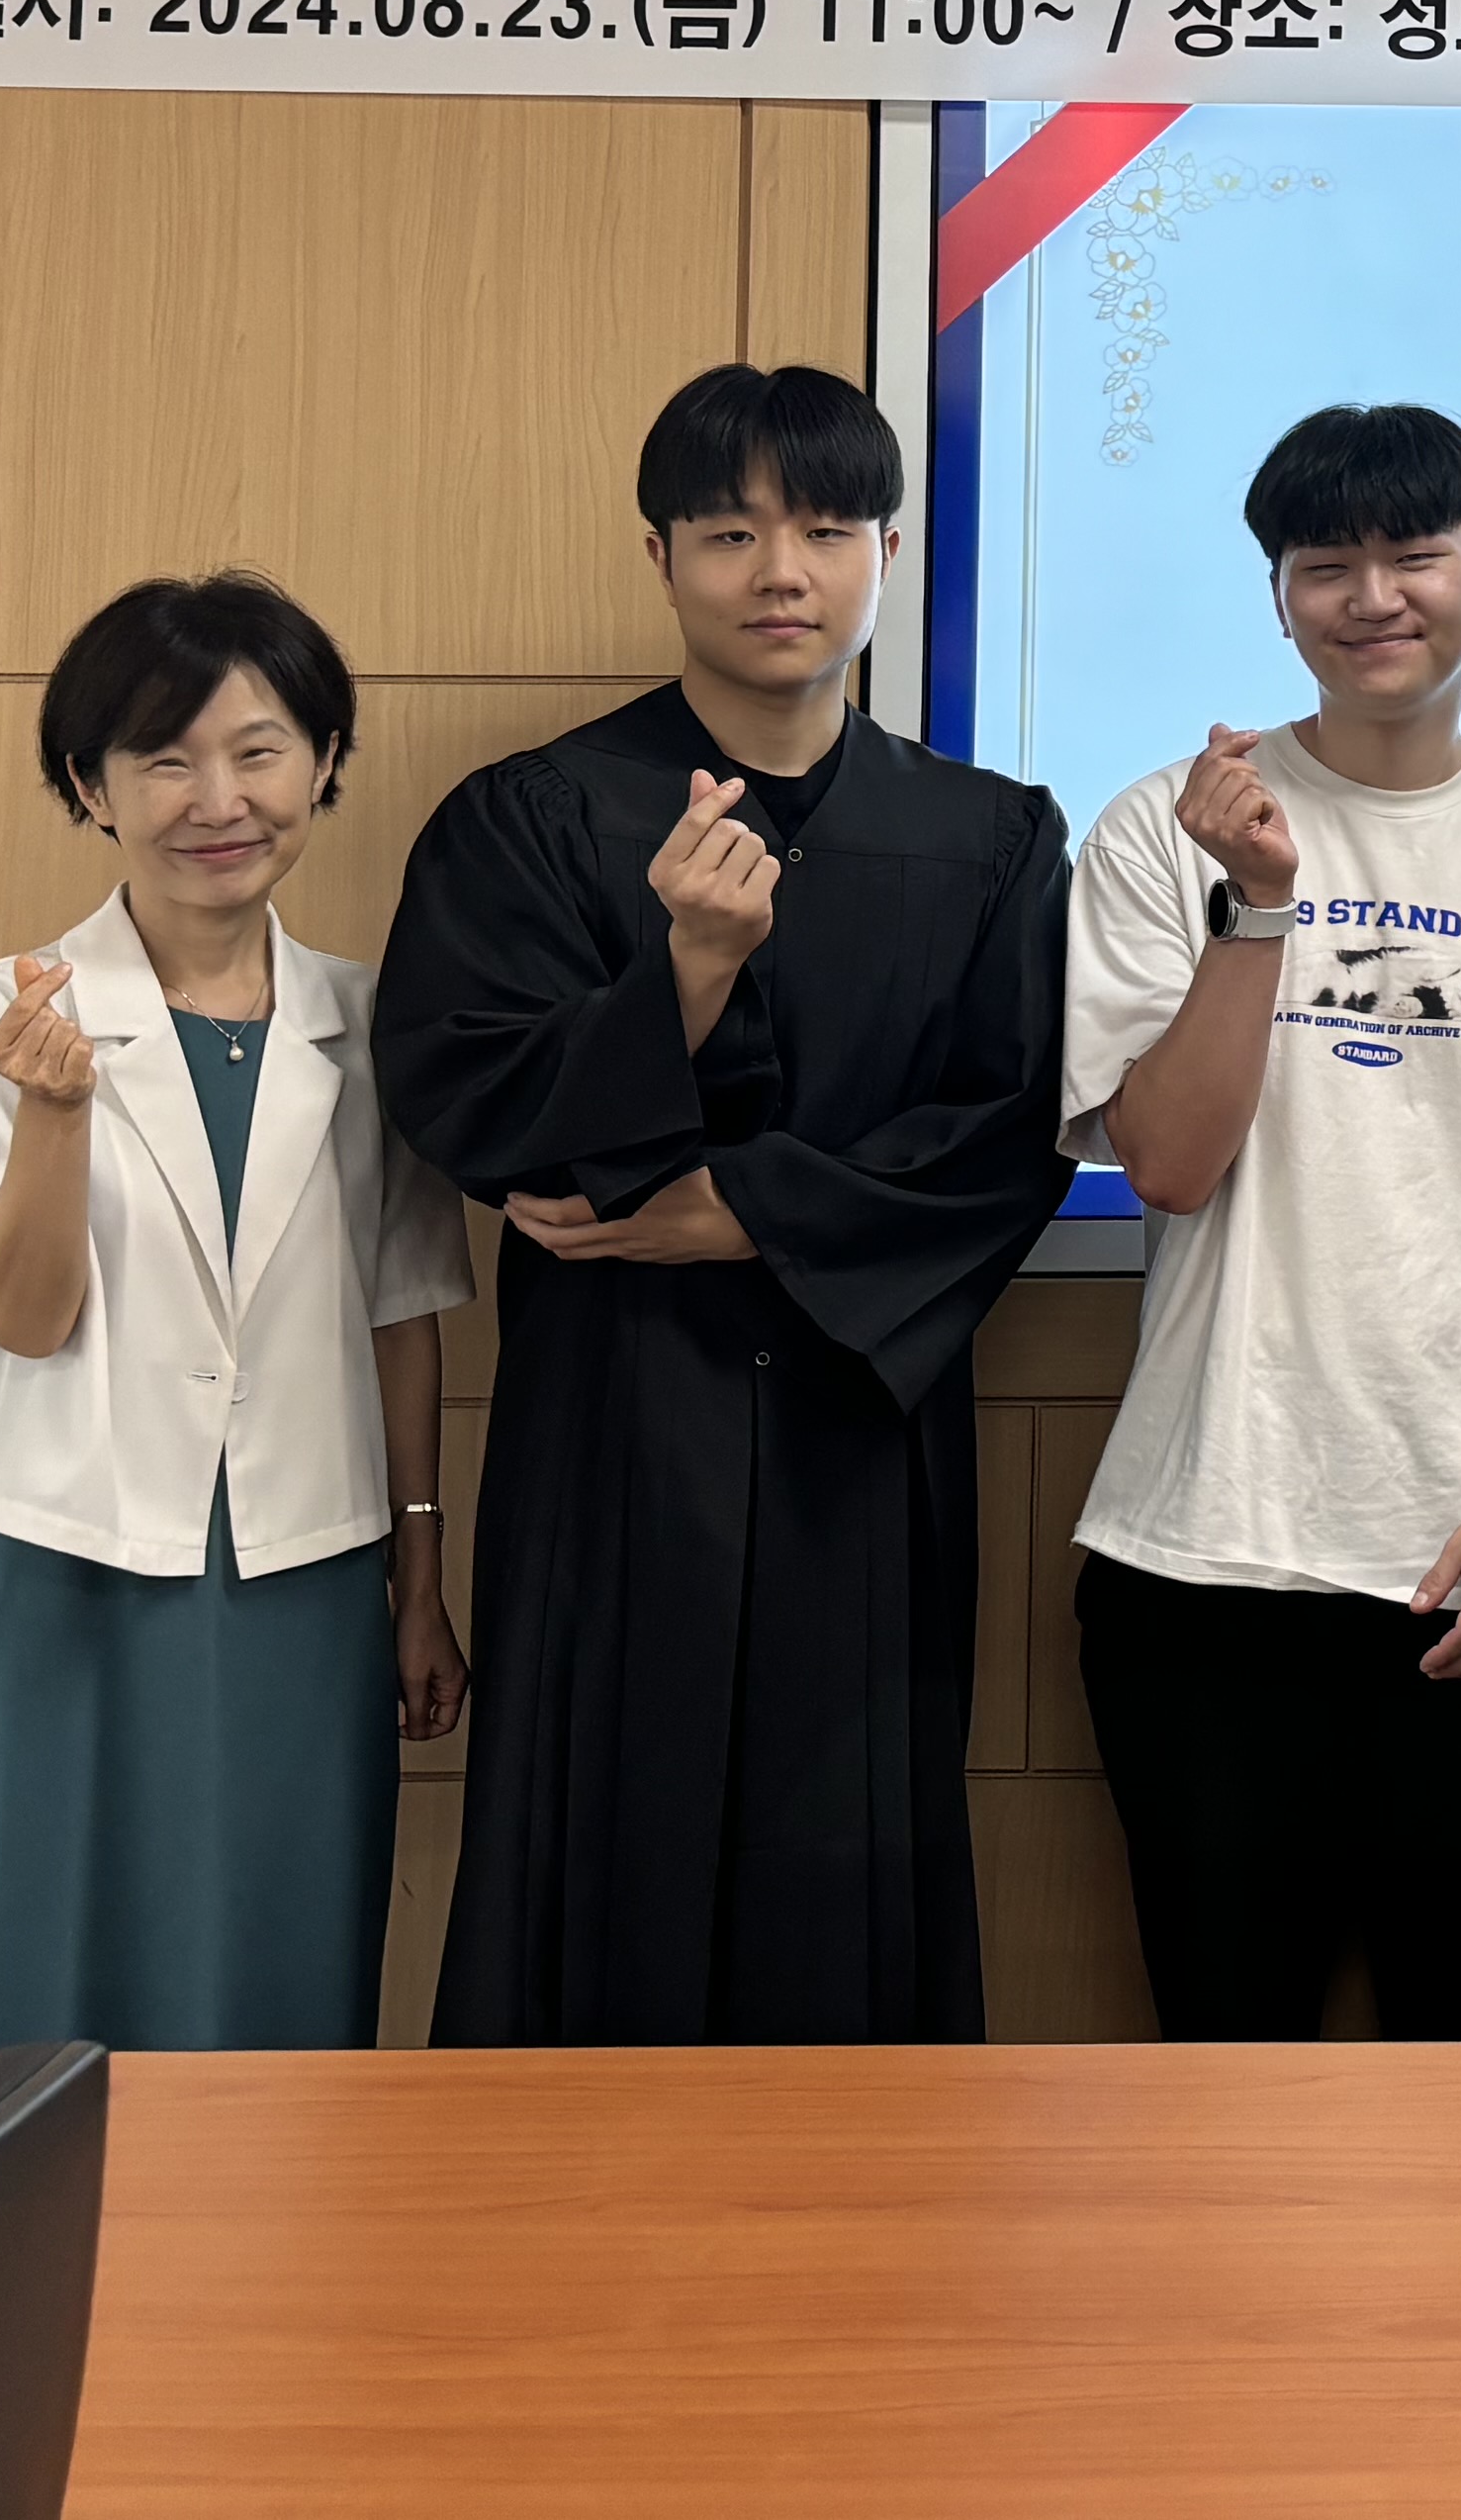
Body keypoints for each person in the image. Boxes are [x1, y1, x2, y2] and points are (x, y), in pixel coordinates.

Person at [373, 363, 1070, 2045]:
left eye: (826, 530)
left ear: (888, 552)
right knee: (600, 1825)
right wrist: (682, 972)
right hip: (617, 1427)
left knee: (849, 1845)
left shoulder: (987, 838)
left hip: (861, 1430)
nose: (781, 572)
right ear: (661, 557)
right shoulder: (537, 816)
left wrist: (748, 1212)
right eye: (731, 532)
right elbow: (466, 1099)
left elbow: (1012, 1128)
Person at [1060, 402, 1461, 2039]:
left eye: (1415, 555)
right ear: (1279, 599)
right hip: (1205, 1549)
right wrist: (1260, 909)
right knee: (1223, 2056)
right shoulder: (1163, 830)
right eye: (1327, 564)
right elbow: (1167, 1165)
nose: (1375, 596)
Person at [0, 573, 470, 2050]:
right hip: (65, 1569)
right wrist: (54, 1116)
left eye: (260, 751)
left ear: (324, 764)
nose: (219, 800)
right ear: (92, 788)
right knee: (33, 1966)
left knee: (278, 1969)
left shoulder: (378, 1026)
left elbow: (403, 1317)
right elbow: (24, 1320)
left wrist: (419, 1579)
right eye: (164, 759)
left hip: (308, 1579)